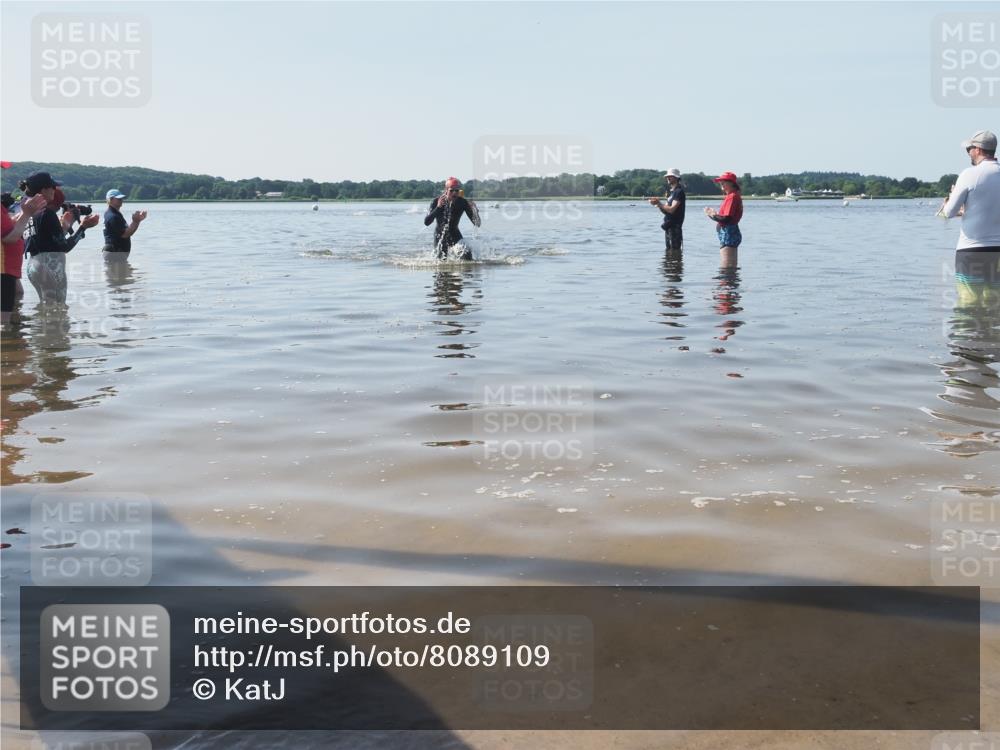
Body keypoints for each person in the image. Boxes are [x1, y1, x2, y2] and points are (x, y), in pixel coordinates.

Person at [19, 172, 99, 304]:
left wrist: (67, 225)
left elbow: (48, 240)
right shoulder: (48, 214)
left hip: (32, 266)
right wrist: (83, 227)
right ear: (43, 190)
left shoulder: (28, 213)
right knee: (58, 309)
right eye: (52, 187)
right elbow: (64, 247)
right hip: (49, 266)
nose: (55, 190)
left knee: (45, 309)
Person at [939, 130, 1000, 251]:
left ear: (978, 150)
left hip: (971, 250)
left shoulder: (968, 174)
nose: (968, 153)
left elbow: (949, 212)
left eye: (969, 149)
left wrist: (949, 201)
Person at [2, 193, 48, 325]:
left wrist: (26, 214)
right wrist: (26, 214)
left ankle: (13, 337)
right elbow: (9, 238)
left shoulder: (3, 211)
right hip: (3, 270)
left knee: (17, 296)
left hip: (9, 270)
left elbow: (8, 228)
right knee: (4, 325)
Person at [424, 177, 481, 260]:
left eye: (457, 190)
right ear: (446, 190)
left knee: (467, 254)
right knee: (441, 262)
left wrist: (475, 211)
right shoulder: (436, 201)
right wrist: (438, 207)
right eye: (451, 190)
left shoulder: (462, 202)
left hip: (455, 234)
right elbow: (427, 222)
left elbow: (477, 224)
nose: (454, 193)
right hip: (440, 236)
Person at [704, 171, 744, 268]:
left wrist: (712, 214)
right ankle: (729, 282)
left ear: (731, 183)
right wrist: (713, 215)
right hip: (730, 232)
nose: (721, 182)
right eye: (720, 181)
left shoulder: (732, 197)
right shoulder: (733, 196)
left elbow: (726, 219)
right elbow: (726, 217)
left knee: (727, 268)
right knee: (730, 266)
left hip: (729, 233)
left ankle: (727, 282)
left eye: (724, 181)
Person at [649, 168, 686, 250]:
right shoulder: (672, 193)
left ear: (676, 178)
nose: (667, 178)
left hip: (675, 227)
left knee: (674, 252)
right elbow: (667, 211)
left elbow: (672, 209)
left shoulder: (679, 192)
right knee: (669, 252)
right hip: (669, 226)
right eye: (667, 176)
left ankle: (675, 263)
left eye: (670, 176)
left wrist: (659, 203)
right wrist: (658, 205)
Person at [103, 188, 148, 254]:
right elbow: (125, 234)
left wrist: (138, 220)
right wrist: (135, 221)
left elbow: (126, 230)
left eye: (121, 198)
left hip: (116, 253)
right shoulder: (113, 216)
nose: (121, 200)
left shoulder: (115, 214)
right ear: (110, 200)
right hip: (114, 253)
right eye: (118, 199)